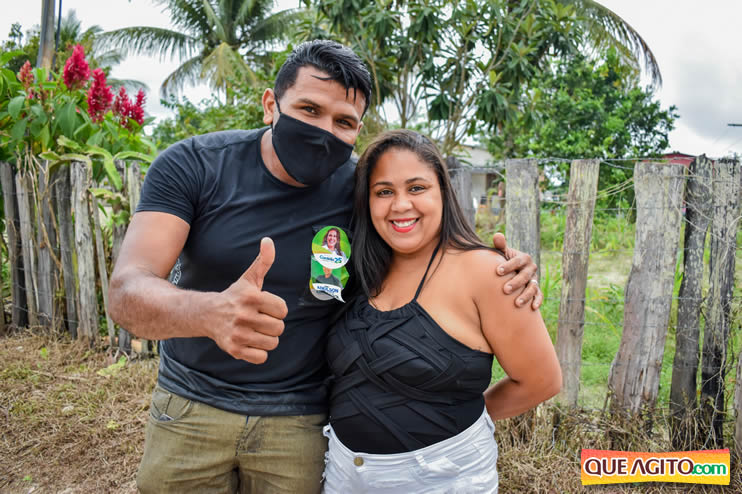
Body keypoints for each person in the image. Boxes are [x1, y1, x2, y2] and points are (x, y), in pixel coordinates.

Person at [108, 40, 542, 494]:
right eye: (309, 109)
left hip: (301, 419)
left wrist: (500, 268)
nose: (323, 131)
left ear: (357, 129)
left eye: (344, 122)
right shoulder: (194, 165)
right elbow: (126, 291)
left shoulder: (362, 191)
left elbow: (422, 241)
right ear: (271, 105)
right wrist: (209, 314)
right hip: (191, 404)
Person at [322, 130, 562, 493]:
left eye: (416, 188)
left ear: (443, 193)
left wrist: (455, 424)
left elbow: (541, 381)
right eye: (384, 192)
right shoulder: (358, 268)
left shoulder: (487, 273)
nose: (400, 205)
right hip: (343, 476)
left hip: (442, 479)